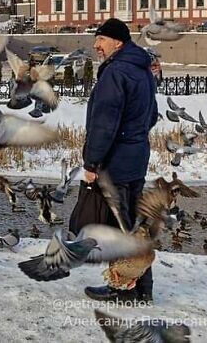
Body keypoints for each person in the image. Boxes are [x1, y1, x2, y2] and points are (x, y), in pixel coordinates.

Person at [81, 18, 158, 303]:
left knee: (120, 229)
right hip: (137, 156)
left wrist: (91, 163)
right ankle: (142, 289)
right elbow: (151, 115)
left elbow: (104, 124)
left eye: (101, 39)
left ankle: (121, 288)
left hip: (116, 161)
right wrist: (134, 139)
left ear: (118, 42)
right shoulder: (142, 70)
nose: (96, 45)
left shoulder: (115, 73)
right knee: (134, 226)